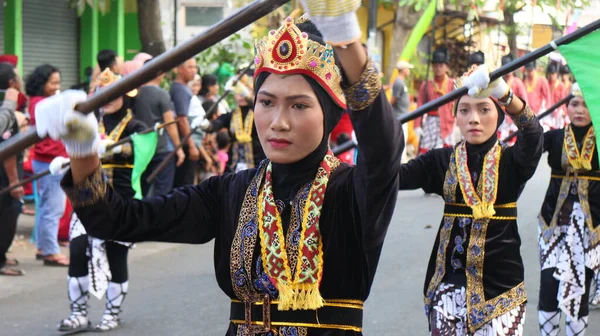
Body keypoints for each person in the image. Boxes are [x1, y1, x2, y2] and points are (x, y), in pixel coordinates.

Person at [36, 8, 403, 334]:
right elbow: (119, 220)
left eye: (299, 105)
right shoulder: (231, 191)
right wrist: (82, 149)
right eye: (267, 102)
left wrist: (344, 37)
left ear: (330, 114)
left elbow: (383, 147)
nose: (278, 122)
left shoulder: (354, 191)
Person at [399, 64, 543, 335]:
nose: (473, 118)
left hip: (501, 291)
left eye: (484, 109)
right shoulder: (440, 160)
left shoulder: (513, 162)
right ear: (456, 116)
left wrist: (505, 95)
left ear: (499, 116)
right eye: (464, 110)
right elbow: (392, 178)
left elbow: (534, 135)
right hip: (447, 288)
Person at [54, 68, 146, 333]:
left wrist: (112, 147)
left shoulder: (135, 126)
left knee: (116, 256)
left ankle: (112, 312)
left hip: (121, 199)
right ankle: (78, 313)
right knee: (77, 252)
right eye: (101, 94)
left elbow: (144, 151)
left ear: (125, 95)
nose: (107, 99)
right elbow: (73, 146)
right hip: (87, 199)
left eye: (113, 94)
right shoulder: (90, 121)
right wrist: (66, 159)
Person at [537, 82, 599, 335]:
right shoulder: (553, 137)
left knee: (579, 288)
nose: (580, 110)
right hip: (554, 224)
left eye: (585, 104)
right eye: (574, 104)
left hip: (591, 228)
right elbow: (524, 151)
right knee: (549, 284)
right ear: (566, 108)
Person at [27, 64, 69, 266]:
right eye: (53, 83)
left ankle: (44, 246)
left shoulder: (39, 101)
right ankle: (50, 251)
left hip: (47, 159)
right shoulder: (42, 104)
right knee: (52, 208)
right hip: (49, 160)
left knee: (48, 206)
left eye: (58, 83)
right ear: (42, 83)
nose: (56, 86)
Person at [136, 62, 185, 197]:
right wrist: (179, 148)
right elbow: (170, 122)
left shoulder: (136, 94)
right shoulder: (161, 94)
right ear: (159, 73)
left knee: (142, 189)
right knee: (162, 193)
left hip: (142, 150)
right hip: (162, 149)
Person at [203, 81, 263, 172]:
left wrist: (248, 96)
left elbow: (254, 102)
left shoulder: (259, 113)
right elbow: (215, 125)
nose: (240, 97)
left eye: (243, 93)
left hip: (257, 161)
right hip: (234, 163)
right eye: (237, 94)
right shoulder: (230, 115)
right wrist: (206, 125)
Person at [0, 62, 25, 276]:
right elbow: (8, 150)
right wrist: (14, 182)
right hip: (4, 178)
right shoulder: (5, 112)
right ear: (11, 83)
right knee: (8, 215)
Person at [415, 47, 456, 155]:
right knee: (426, 153)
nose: (438, 68)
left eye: (441, 65)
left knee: (445, 154)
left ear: (447, 67)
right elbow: (420, 105)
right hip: (430, 122)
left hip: (447, 122)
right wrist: (417, 125)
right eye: (435, 65)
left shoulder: (453, 84)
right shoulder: (426, 85)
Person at [170, 58, 202, 186]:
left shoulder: (183, 88)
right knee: (184, 184)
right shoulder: (180, 90)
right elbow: (181, 119)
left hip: (187, 143)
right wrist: (191, 146)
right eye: (190, 67)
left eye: (195, 67)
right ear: (179, 69)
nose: (194, 71)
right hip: (185, 144)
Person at [498, 54, 528, 144]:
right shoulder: (499, 81)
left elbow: (524, 100)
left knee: (512, 142)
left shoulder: (517, 82)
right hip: (501, 116)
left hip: (514, 116)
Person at [391, 60, 413, 163]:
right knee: (401, 141)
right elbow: (393, 100)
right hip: (400, 117)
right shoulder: (399, 82)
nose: (409, 70)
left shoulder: (401, 82)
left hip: (403, 116)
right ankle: (400, 164)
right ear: (403, 69)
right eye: (407, 68)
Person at [546, 61, 569, 130]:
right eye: (550, 74)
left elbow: (563, 101)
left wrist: (561, 111)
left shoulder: (561, 86)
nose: (551, 76)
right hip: (548, 110)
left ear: (556, 74)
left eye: (553, 74)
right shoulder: (546, 84)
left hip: (559, 111)